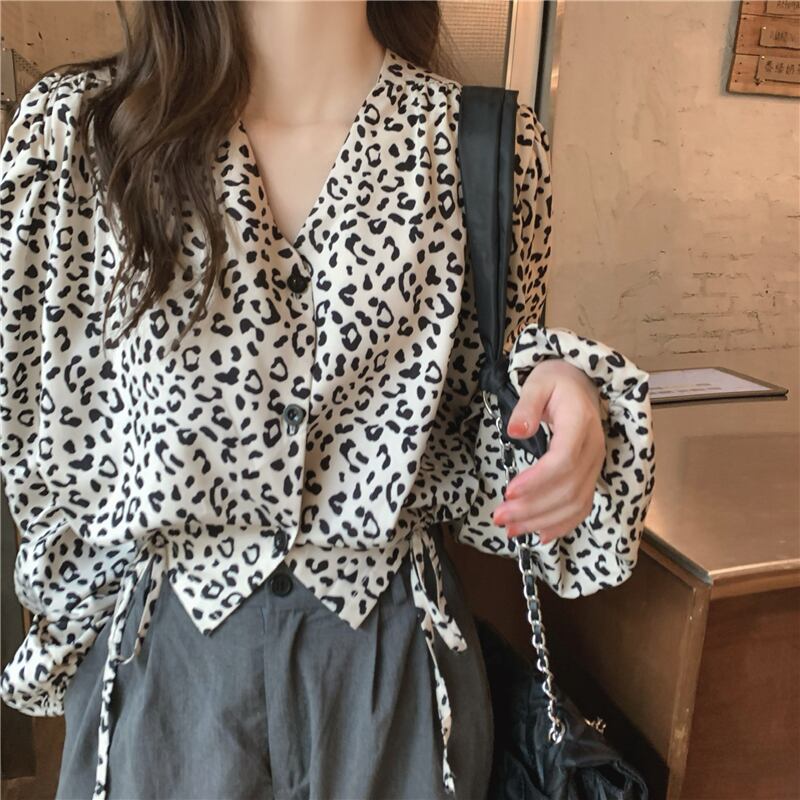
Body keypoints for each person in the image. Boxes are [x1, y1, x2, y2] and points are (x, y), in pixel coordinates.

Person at [0, 2, 655, 799]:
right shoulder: (79, 136)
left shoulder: (481, 143)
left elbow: (485, 426)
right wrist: (76, 654)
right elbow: (48, 450)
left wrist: (565, 396)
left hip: (394, 675)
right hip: (166, 678)